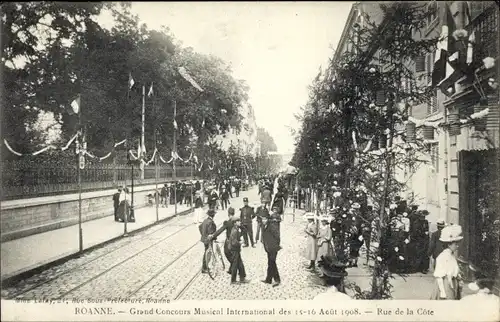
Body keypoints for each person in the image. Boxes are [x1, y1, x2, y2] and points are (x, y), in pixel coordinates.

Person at [430, 225, 463, 300]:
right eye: (455, 244)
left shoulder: (451, 255)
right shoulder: (442, 256)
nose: (457, 246)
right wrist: (442, 292)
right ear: (448, 244)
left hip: (452, 284)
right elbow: (439, 276)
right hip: (445, 286)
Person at [209, 207, 236, 273]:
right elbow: (243, 229)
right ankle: (232, 268)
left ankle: (233, 266)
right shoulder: (236, 221)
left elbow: (220, 230)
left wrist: (213, 235)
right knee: (233, 255)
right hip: (234, 241)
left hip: (229, 241)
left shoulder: (227, 222)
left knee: (227, 253)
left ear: (228, 214)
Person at [227, 216, 250, 284]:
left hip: (236, 249)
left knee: (240, 264)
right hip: (234, 250)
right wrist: (240, 242)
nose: (240, 222)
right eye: (238, 221)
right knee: (235, 265)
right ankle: (233, 280)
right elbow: (234, 242)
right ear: (235, 223)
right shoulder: (234, 231)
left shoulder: (236, 229)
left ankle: (242, 278)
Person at [260, 211, 281, 287]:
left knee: (272, 263)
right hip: (268, 248)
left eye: (265, 219)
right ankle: (269, 279)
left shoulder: (271, 226)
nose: (263, 221)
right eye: (262, 219)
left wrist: (276, 245)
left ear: (268, 219)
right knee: (271, 263)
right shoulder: (263, 226)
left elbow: (277, 236)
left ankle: (276, 280)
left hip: (273, 248)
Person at [199, 209, 217, 274]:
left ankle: (205, 267)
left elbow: (200, 227)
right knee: (208, 253)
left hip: (204, 239)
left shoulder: (205, 220)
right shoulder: (210, 222)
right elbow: (210, 232)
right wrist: (213, 237)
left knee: (206, 252)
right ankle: (204, 268)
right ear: (213, 215)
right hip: (208, 240)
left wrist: (203, 234)